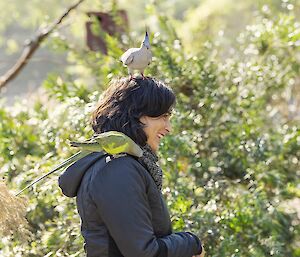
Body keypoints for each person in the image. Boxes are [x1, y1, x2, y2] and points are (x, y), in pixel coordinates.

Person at [58, 77, 204, 257]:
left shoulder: (125, 165)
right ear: (136, 114)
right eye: (163, 116)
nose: (169, 128)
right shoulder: (116, 170)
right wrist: (191, 243)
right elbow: (143, 253)